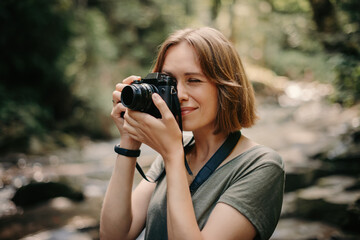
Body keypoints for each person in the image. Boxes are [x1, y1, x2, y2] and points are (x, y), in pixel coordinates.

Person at [101, 27, 284, 240]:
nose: (179, 95)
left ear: (225, 87)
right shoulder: (175, 153)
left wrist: (172, 155)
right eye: (170, 81)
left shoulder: (261, 165)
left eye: (194, 80)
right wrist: (129, 141)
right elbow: (114, 236)